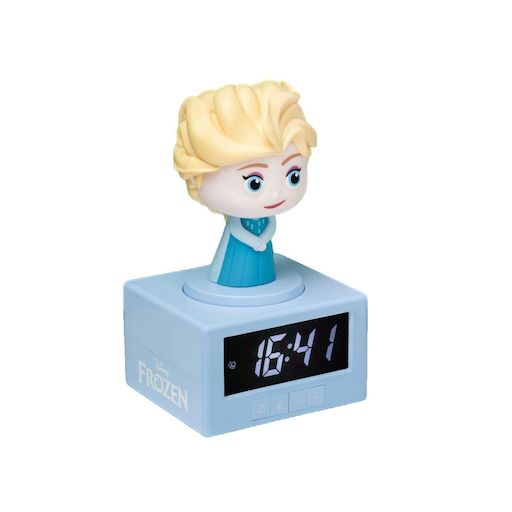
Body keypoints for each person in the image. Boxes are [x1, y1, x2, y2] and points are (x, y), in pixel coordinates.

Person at [173, 81, 317, 287]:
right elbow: (237, 230)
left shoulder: (267, 214)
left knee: (263, 270)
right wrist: (256, 241)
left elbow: (271, 225)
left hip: (262, 248)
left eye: (293, 176)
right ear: (197, 175)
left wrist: (264, 238)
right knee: (236, 268)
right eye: (254, 183)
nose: (275, 194)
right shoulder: (238, 219)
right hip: (238, 251)